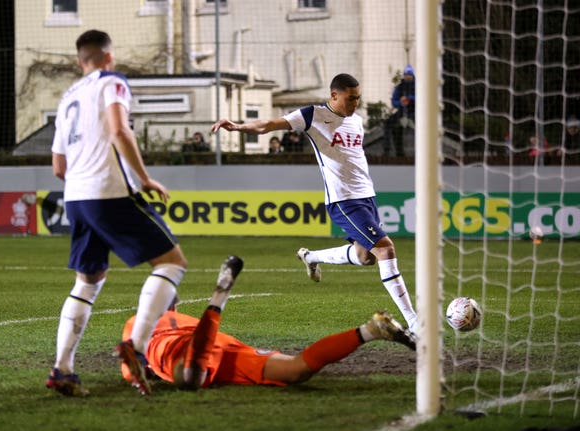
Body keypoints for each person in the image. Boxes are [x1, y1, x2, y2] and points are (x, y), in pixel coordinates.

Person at [211, 73, 419, 335]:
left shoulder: (357, 120)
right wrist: (240, 127)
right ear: (334, 95)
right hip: (344, 200)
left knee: (365, 257)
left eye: (358, 98)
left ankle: (311, 257)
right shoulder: (313, 115)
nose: (355, 103)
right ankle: (414, 322)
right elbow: (270, 124)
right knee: (385, 250)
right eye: (350, 98)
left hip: (367, 196)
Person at [47, 29, 188, 397]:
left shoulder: (66, 98)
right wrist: (144, 179)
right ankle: (137, 348)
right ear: (108, 56)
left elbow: (58, 166)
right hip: (107, 191)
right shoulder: (112, 81)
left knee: (88, 281)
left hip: (76, 197)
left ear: (81, 61)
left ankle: (63, 369)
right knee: (172, 262)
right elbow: (119, 130)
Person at [120, 256, 415, 390]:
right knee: (295, 371)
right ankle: (371, 330)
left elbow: (131, 370)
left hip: (185, 351)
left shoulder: (136, 323)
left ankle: (219, 296)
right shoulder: (176, 314)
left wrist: (142, 376)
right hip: (217, 346)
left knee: (190, 378)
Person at [384, 65, 415, 157]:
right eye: (406, 75)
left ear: (412, 76)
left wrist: (409, 99)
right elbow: (394, 101)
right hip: (402, 111)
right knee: (388, 124)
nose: (407, 76)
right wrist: (401, 103)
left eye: (409, 75)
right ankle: (390, 149)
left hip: (414, 111)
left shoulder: (418, 86)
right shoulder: (400, 87)